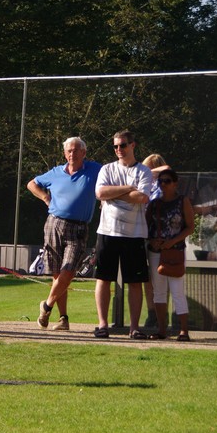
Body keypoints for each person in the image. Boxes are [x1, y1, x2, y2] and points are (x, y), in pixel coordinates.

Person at [27, 137, 101, 331]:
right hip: (54, 224)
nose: (72, 154)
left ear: (84, 153)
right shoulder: (56, 172)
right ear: (64, 153)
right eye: (69, 151)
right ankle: (63, 318)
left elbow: (114, 175)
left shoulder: (94, 170)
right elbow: (31, 184)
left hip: (79, 227)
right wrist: (45, 197)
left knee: (69, 270)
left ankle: (46, 306)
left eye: (76, 150)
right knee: (57, 273)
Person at [93, 130, 153, 339]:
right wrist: (128, 188)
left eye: (123, 145)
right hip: (107, 231)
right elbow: (100, 193)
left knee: (135, 282)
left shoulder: (144, 171)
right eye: (116, 146)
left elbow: (142, 198)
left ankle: (134, 328)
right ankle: (102, 325)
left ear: (132, 145)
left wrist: (114, 193)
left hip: (134, 234)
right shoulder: (107, 169)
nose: (119, 149)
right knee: (103, 278)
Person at [146, 169, 195, 341]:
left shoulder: (182, 201)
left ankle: (183, 330)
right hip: (156, 251)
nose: (163, 184)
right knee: (158, 292)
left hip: (175, 251)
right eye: (160, 181)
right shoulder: (154, 203)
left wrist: (172, 241)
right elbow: (146, 225)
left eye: (167, 181)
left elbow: (190, 227)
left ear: (175, 183)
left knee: (177, 290)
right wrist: (152, 240)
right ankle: (162, 330)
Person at [140, 153, 170, 328]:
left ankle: (161, 314)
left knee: (160, 277)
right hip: (141, 232)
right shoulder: (144, 185)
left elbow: (167, 168)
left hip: (157, 235)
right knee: (147, 278)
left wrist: (148, 172)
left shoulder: (162, 185)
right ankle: (152, 313)